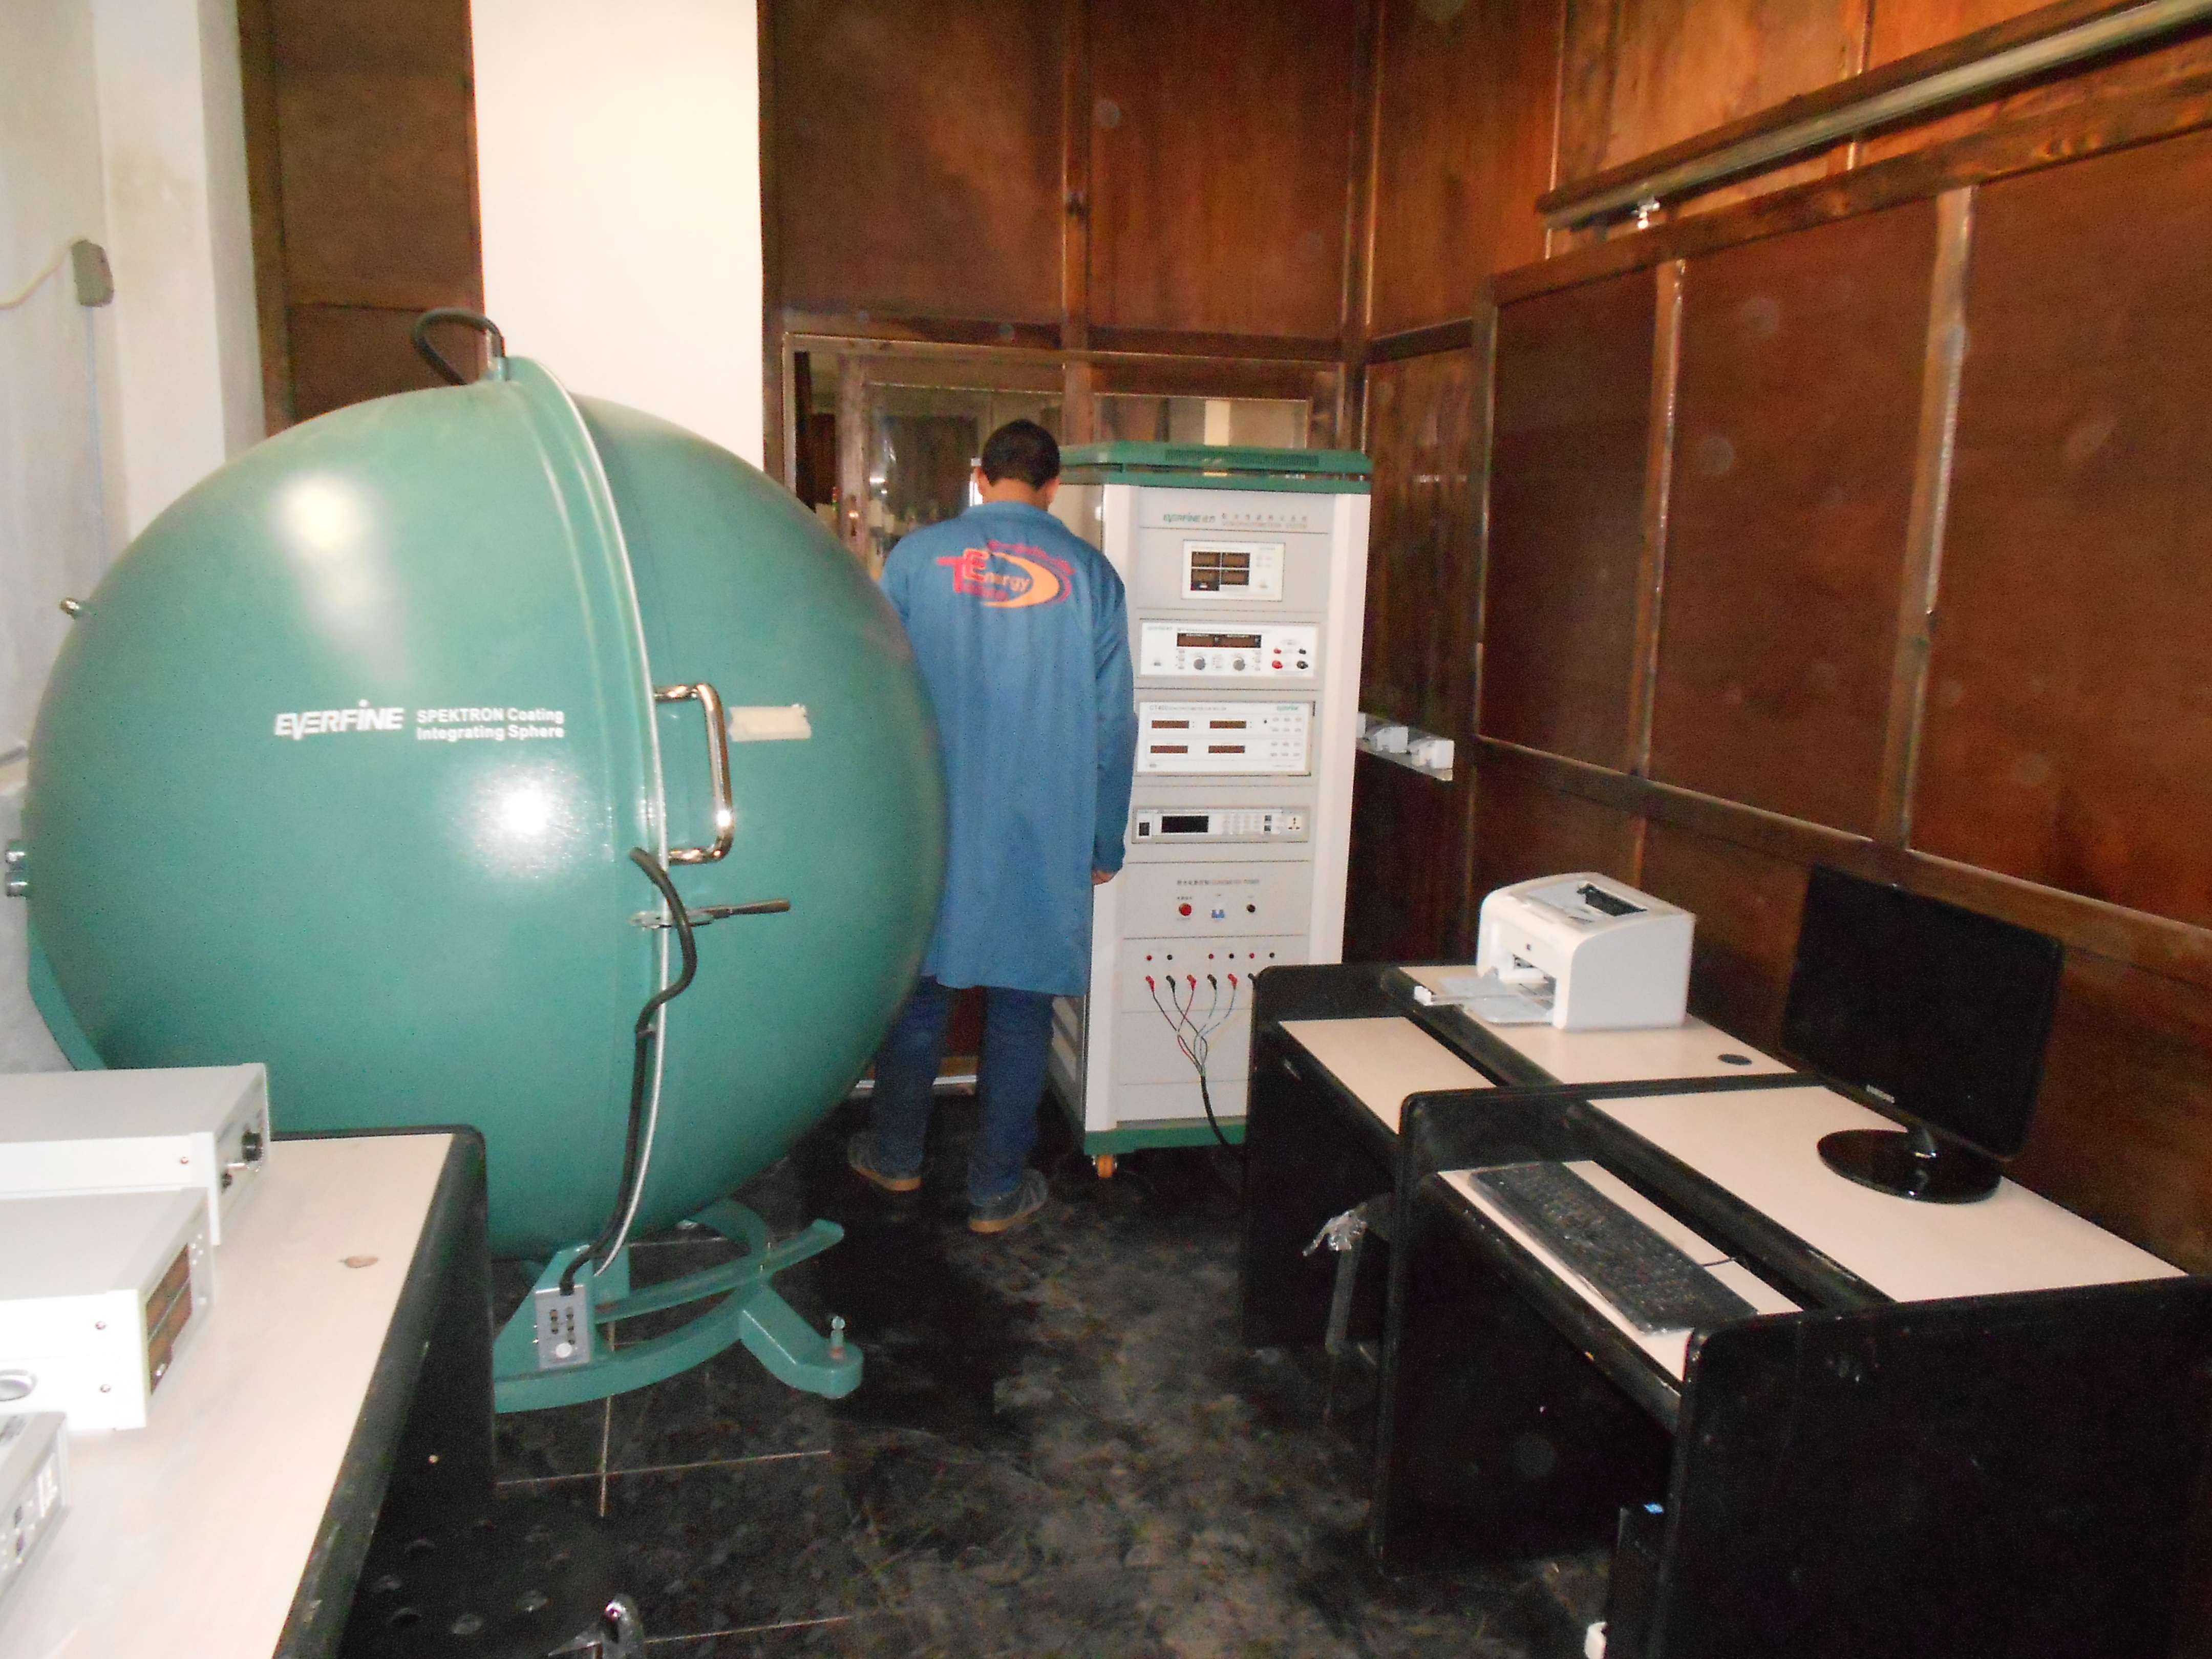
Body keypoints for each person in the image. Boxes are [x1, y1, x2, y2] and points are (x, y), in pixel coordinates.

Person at [850, 419, 1137, 1233]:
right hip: (1044, 830)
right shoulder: (1092, 575)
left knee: (920, 996)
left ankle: (896, 1159)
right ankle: (995, 1193)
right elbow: (1114, 723)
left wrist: (876, 826)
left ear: (981, 477)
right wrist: (1105, 840)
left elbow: (876, 693)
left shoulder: (915, 559)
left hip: (935, 823)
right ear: (1054, 487)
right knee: (1020, 1007)